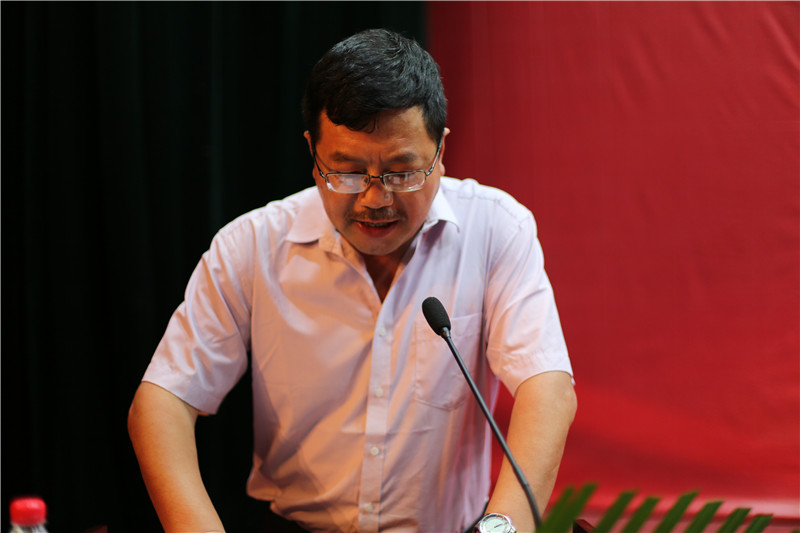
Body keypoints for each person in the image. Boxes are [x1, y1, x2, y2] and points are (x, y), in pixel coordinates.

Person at [128, 28, 576, 533]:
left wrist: (503, 528)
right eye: (346, 171)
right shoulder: (252, 245)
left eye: (402, 172)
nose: (374, 199)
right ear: (312, 151)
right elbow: (163, 401)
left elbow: (547, 387)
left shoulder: (496, 230)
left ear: (440, 151)